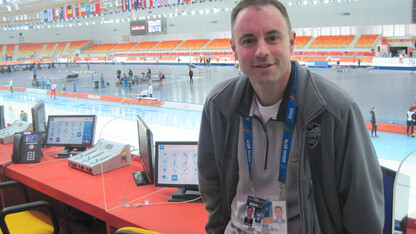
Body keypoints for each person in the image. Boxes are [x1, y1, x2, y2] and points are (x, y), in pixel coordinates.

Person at [197, 1, 384, 233]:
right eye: (248, 40)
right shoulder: (219, 106)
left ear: (292, 42)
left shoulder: (336, 112)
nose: (262, 51)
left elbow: (363, 215)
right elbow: (211, 188)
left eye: (273, 38)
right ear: (234, 49)